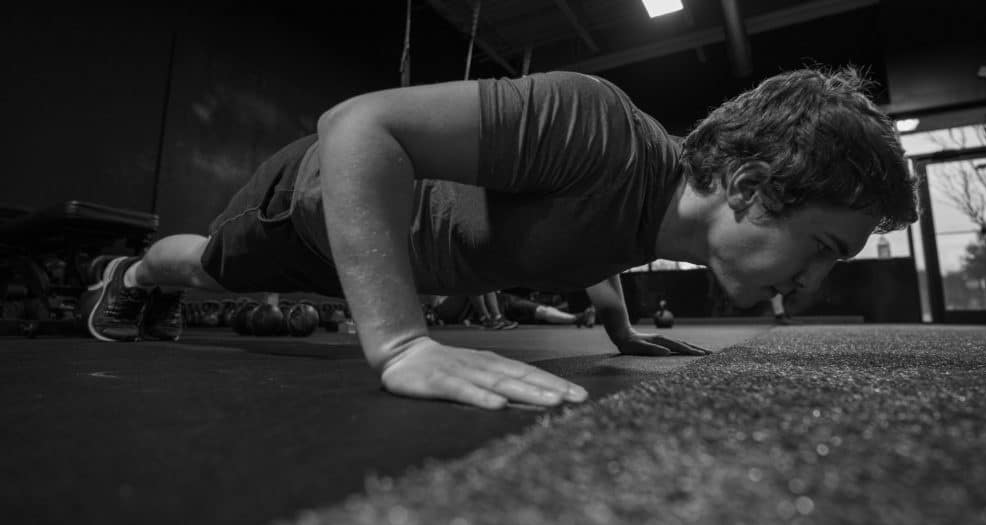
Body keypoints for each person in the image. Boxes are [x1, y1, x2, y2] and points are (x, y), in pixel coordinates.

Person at [81, 68, 919, 410]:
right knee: (205, 271)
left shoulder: (661, 222)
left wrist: (620, 331)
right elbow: (358, 125)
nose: (814, 278)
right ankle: (130, 273)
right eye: (823, 247)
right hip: (312, 206)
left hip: (379, 265)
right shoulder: (600, 130)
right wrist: (403, 341)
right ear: (747, 186)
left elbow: (593, 248)